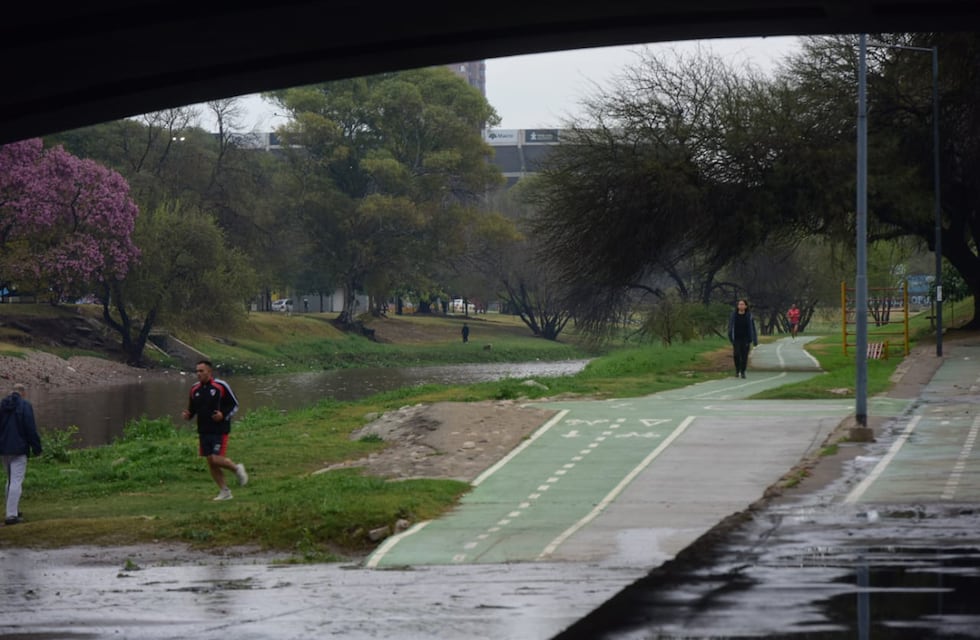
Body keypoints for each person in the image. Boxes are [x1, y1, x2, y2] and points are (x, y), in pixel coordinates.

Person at [181, 360, 247, 501]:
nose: (198, 374)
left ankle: (237, 469)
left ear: (209, 372)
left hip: (219, 429)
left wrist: (223, 415)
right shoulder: (194, 389)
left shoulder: (221, 386)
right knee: (211, 461)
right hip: (203, 430)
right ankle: (225, 491)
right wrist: (188, 415)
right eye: (197, 371)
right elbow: (192, 409)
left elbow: (234, 404)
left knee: (216, 458)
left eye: (201, 371)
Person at [0, 383, 43, 525]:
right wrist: (37, 448)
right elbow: (30, 428)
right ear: (23, 393)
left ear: (11, 391)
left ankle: (13, 509)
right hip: (19, 448)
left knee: (10, 479)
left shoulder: (2, 405)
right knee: (16, 481)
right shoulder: (25, 406)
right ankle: (11, 515)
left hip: (3, 449)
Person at [727, 299, 758, 379]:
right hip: (736, 338)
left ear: (746, 306)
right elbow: (730, 326)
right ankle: (737, 370)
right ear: (737, 306)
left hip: (746, 339)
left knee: (744, 356)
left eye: (742, 304)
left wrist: (754, 339)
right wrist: (730, 335)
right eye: (739, 304)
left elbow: (752, 328)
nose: (741, 306)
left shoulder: (749, 316)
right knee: (736, 354)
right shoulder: (734, 315)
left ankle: (743, 371)